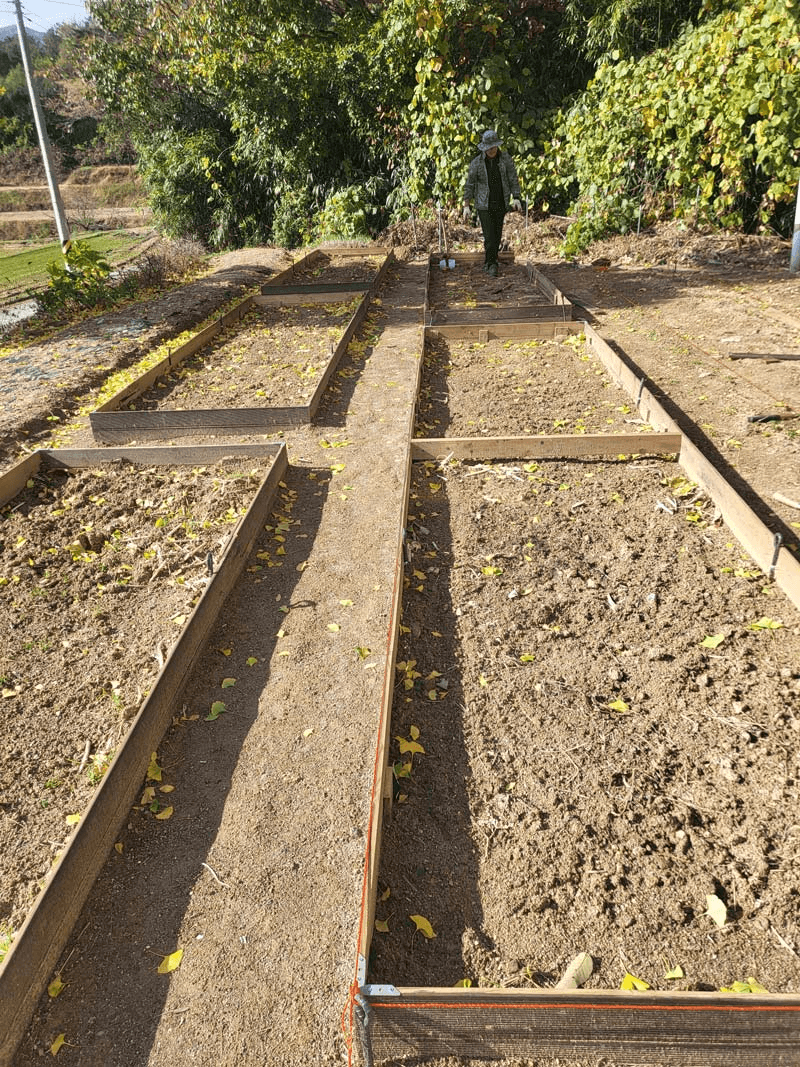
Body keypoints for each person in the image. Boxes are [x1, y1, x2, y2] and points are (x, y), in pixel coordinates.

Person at [462, 129, 522, 276]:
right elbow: (470, 184)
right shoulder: (476, 163)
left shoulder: (505, 159)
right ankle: (490, 264)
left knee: (496, 234)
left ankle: (492, 260)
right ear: (484, 147)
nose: (491, 150)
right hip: (484, 204)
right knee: (489, 237)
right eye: (488, 148)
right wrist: (466, 205)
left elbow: (513, 178)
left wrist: (516, 197)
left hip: (501, 201)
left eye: (493, 147)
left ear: (497, 146)